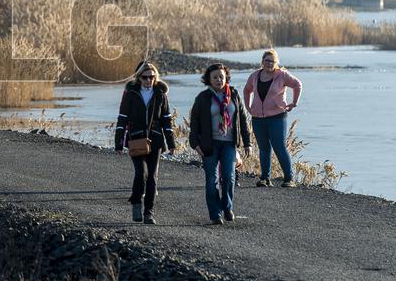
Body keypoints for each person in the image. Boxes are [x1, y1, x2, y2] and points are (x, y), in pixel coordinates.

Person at [189, 63, 252, 225]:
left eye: (221, 77)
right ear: (209, 79)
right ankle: (215, 214)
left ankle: (227, 207)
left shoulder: (234, 95)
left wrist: (247, 143)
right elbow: (194, 122)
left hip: (229, 143)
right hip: (209, 144)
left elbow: (243, 121)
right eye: (215, 77)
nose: (218, 80)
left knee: (229, 177)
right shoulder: (203, 98)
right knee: (212, 180)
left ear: (226, 78)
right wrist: (195, 144)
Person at [114, 61, 175, 224]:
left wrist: (171, 143)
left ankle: (148, 212)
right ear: (138, 77)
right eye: (145, 77)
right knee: (141, 174)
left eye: (151, 76)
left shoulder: (160, 94)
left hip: (155, 140)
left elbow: (167, 120)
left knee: (152, 177)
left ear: (155, 77)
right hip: (135, 138)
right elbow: (122, 118)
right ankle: (135, 202)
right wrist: (118, 142)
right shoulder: (131, 93)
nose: (148, 80)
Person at [243, 49, 302, 188]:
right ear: (262, 61)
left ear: (276, 63)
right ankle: (265, 178)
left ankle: (289, 179)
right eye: (267, 60)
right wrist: (248, 107)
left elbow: (297, 84)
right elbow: (247, 90)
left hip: (277, 117)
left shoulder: (282, 75)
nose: (269, 63)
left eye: (272, 61)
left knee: (279, 147)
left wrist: (294, 103)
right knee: (264, 149)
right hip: (258, 118)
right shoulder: (255, 76)